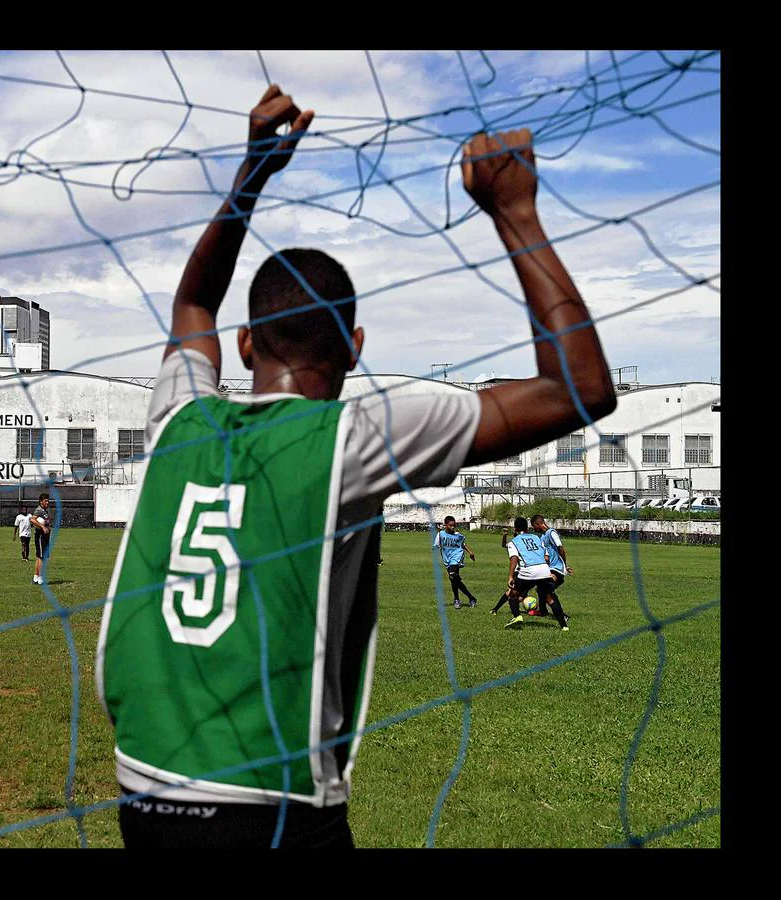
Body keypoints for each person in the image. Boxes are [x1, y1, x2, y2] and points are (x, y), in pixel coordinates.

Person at [95, 85, 615, 849]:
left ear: (246, 347)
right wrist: (514, 212)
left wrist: (251, 173)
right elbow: (580, 390)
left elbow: (192, 303)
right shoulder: (352, 437)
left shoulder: (177, 419)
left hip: (143, 789)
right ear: (356, 347)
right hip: (268, 803)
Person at [504, 516, 568, 630]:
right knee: (550, 597)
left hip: (528, 571)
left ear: (515, 529)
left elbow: (514, 558)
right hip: (544, 569)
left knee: (512, 594)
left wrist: (510, 576)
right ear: (528, 528)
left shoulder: (513, 542)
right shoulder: (537, 538)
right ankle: (564, 626)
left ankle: (517, 616)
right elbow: (546, 556)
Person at [532, 514, 571, 621]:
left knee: (546, 590)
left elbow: (561, 549)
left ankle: (562, 616)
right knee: (541, 589)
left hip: (556, 569)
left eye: (534, 527)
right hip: (551, 568)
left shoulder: (551, 533)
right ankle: (543, 611)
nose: (534, 529)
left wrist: (564, 565)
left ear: (538, 524)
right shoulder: (543, 536)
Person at [434, 515, 478, 608]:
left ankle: (457, 600)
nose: (453, 527)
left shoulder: (458, 535)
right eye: (450, 525)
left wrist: (470, 553)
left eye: (454, 525)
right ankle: (471, 598)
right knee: (454, 579)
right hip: (447, 559)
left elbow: (463, 545)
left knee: (453, 576)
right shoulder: (441, 534)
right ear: (445, 525)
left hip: (457, 557)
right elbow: (436, 546)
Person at [31, 493, 51, 586]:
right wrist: (42, 527)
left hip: (45, 536)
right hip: (40, 536)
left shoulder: (44, 510)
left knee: (40, 557)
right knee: (42, 557)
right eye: (45, 501)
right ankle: (40, 578)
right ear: (41, 502)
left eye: (48, 500)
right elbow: (32, 520)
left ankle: (36, 577)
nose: (47, 502)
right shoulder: (39, 510)